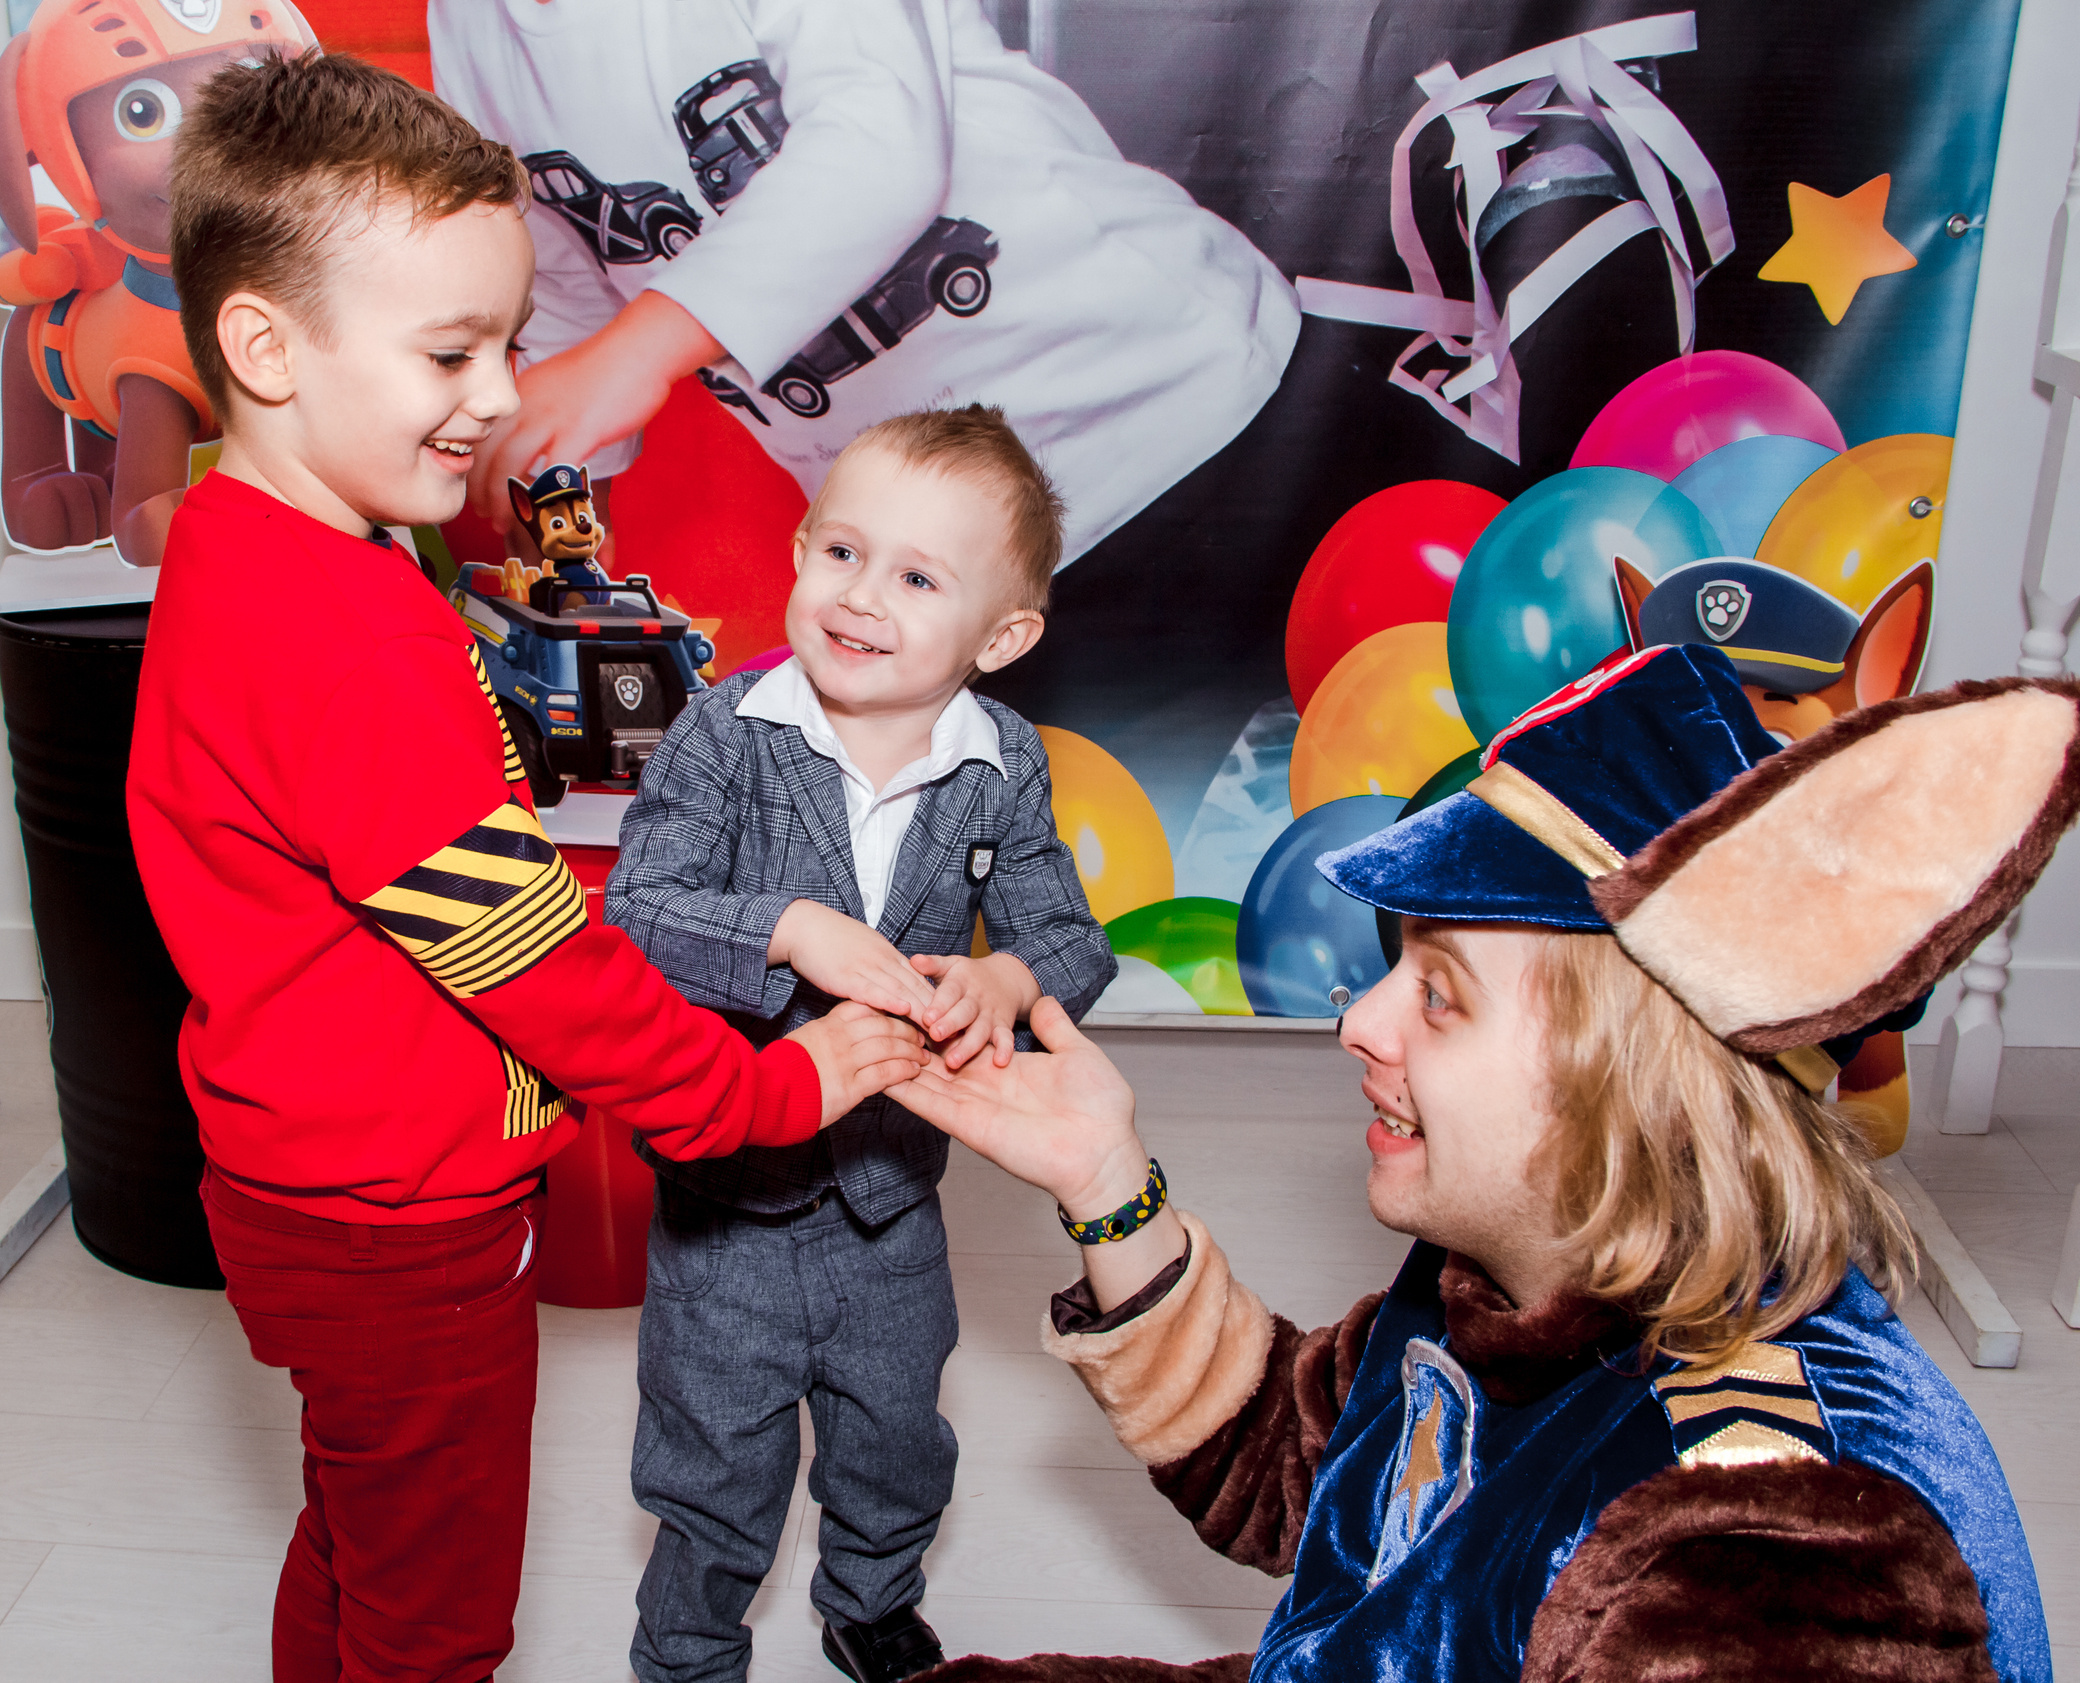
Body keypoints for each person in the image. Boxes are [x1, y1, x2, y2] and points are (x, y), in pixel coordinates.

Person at [124, 54, 929, 1683]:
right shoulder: (344, 638)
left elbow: (435, 855)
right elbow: (531, 958)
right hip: (400, 1223)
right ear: (264, 347)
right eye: (449, 350)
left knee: (361, 1522)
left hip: (304, 1177)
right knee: (438, 1613)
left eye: (504, 336)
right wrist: (763, 1093)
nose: (500, 390)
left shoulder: (256, 535)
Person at [885, 645, 2072, 1681]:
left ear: (1634, 1086)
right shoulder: (1522, 1270)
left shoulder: (1769, 1555)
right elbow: (1321, 1483)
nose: (1359, 1022)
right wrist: (1106, 1184)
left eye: (1440, 996)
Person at [605, 405, 1118, 1683]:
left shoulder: (1000, 764)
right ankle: (684, 1651)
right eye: (841, 553)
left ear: (1000, 637)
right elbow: (634, 909)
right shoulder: (728, 732)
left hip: (892, 1192)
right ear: (797, 551)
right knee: (715, 1455)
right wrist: (785, 929)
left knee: (894, 1431)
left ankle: (871, 1599)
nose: (861, 597)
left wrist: (1002, 976)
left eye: (916, 576)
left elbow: (1072, 935)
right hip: (727, 1191)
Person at [424, 0, 1297, 576]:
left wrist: (634, 356)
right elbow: (567, 281)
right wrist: (574, 503)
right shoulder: (466, 12)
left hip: (1168, 418)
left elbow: (879, 142)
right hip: (937, 545)